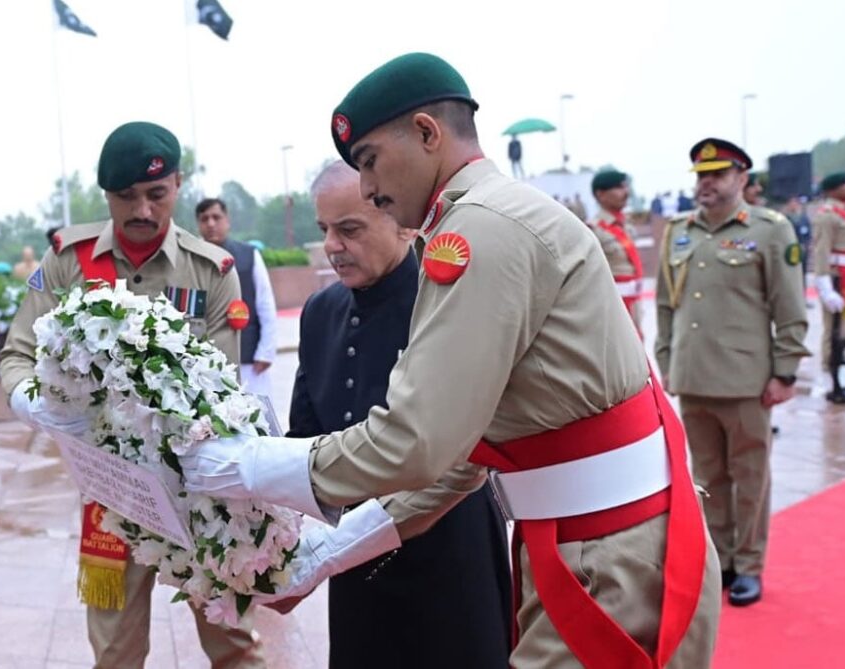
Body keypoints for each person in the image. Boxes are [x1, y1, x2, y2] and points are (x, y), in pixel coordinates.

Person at [181, 52, 720, 668]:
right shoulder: (494, 216)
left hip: (604, 549)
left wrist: (248, 465)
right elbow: (464, 456)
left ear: (427, 133)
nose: (368, 187)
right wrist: (324, 553)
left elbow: (415, 440)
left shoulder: (478, 230)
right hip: (599, 539)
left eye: (370, 160)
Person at [0, 121, 263, 669]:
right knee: (115, 652)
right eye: (126, 196)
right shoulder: (68, 262)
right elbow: (17, 354)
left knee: (234, 647)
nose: (142, 210)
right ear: (106, 195)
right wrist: (35, 405)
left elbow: (222, 389)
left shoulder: (211, 271)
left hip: (198, 492)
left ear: (178, 184)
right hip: (109, 491)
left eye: (156, 194)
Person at [280, 160, 511, 667]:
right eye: (325, 230)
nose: (333, 246)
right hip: (354, 557)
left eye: (350, 229)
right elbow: (304, 439)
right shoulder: (321, 312)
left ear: (404, 224)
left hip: (448, 546)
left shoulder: (445, 301)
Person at [655, 138, 808, 607]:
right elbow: (666, 306)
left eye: (718, 174)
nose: (707, 183)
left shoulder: (769, 230)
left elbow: (789, 307)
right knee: (707, 478)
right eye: (702, 176)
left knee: (750, 478)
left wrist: (785, 372)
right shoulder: (678, 231)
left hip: (746, 381)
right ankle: (719, 559)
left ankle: (750, 564)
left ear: (742, 178)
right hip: (693, 378)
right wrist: (667, 361)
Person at [195, 198, 278, 397]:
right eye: (204, 219)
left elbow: (265, 304)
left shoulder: (249, 255)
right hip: (204, 361)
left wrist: (266, 352)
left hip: (248, 358)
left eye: (216, 217)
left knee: (254, 412)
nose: (211, 223)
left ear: (227, 220)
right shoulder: (192, 260)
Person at [810, 171, 845, 403]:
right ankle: (832, 378)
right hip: (837, 280)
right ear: (833, 189)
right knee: (835, 332)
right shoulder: (826, 216)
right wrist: (825, 287)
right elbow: (821, 251)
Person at [588, 169, 645, 333]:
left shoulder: (626, 225)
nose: (626, 192)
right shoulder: (593, 230)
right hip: (613, 308)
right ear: (601, 194)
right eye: (619, 188)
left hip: (634, 302)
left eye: (626, 187)